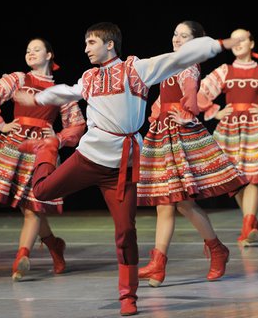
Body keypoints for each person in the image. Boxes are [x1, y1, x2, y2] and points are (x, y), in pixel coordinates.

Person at [13, 22, 243, 316]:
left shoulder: (136, 69)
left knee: (126, 232)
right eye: (85, 43)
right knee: (41, 191)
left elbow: (180, 58)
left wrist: (221, 44)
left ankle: (128, 297)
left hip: (122, 167)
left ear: (110, 44)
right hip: (89, 157)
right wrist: (37, 99)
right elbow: (67, 92)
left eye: (91, 42)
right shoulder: (89, 77)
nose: (86, 49)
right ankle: (48, 148)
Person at [0, 38, 86, 281]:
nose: (30, 53)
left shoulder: (59, 91)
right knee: (29, 207)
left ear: (49, 55)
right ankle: (54, 245)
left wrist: (59, 137)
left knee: (33, 207)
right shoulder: (19, 79)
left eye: (36, 49)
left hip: (42, 150)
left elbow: (77, 124)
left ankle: (22, 257)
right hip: (15, 147)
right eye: (28, 50)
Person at [136, 21, 247, 288]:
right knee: (165, 202)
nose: (177, 39)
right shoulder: (170, 62)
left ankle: (216, 249)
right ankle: (158, 263)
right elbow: (161, 93)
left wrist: (187, 111)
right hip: (163, 133)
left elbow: (189, 89)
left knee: (183, 203)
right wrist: (158, 111)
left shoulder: (188, 64)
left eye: (184, 36)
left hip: (180, 135)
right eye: (175, 34)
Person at [197, 28, 258, 246]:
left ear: (252, 43)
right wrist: (214, 111)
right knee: (236, 181)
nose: (238, 43)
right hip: (229, 130)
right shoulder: (225, 70)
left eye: (243, 39)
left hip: (253, 129)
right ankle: (249, 221)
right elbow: (200, 92)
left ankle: (248, 225)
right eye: (235, 40)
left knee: (252, 178)